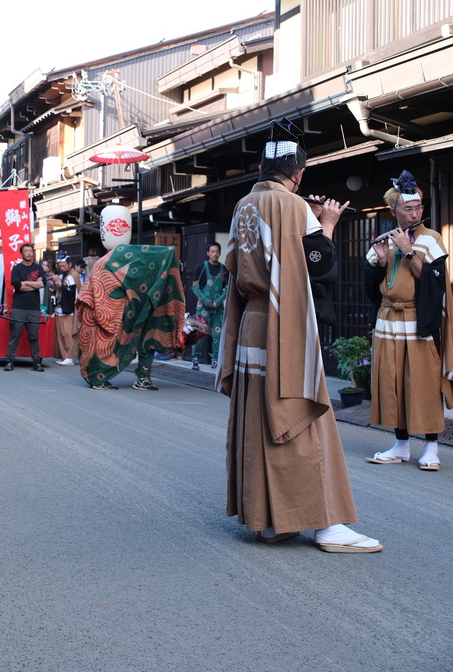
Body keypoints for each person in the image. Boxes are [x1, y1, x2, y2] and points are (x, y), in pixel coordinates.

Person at [217, 123, 382, 553]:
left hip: (252, 322)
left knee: (259, 419)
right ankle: (326, 524)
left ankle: (271, 521)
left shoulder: (242, 206)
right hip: (284, 323)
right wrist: (327, 225)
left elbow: (234, 269)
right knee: (303, 419)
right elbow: (320, 267)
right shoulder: (295, 207)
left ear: (261, 167)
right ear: (299, 173)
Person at [365, 170, 453, 470]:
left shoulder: (432, 238)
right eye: (408, 208)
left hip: (420, 319)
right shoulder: (384, 238)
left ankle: (431, 447)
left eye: (418, 208)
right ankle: (401, 444)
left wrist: (409, 252)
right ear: (394, 211)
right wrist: (377, 262)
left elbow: (437, 283)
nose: (414, 213)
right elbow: (371, 287)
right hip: (388, 319)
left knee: (424, 382)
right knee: (392, 383)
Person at [77, 244, 185, 390]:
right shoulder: (107, 267)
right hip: (112, 298)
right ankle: (97, 376)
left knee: (150, 334)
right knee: (107, 335)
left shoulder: (146, 269)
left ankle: (143, 378)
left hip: (136, 300)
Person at [4, 243, 45, 372]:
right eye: (26, 251)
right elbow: (17, 286)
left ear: (33, 253)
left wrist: (26, 282)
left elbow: (43, 284)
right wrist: (35, 284)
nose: (28, 253)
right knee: (15, 335)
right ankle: (10, 361)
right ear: (21, 253)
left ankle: (36, 362)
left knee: (34, 336)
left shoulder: (39, 268)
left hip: (34, 308)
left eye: (30, 251)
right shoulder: (16, 269)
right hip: (18, 307)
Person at [190, 242, 228, 371]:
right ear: (208, 253)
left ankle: (215, 360)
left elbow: (227, 288)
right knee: (199, 333)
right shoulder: (201, 267)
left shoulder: (224, 270)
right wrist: (205, 300)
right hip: (203, 306)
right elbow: (195, 286)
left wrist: (218, 301)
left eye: (217, 251)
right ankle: (195, 359)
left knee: (218, 334)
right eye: (212, 251)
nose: (215, 254)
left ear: (220, 253)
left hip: (218, 307)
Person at [52, 255, 81, 366]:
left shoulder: (73, 275)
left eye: (64, 266)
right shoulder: (66, 275)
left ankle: (69, 357)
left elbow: (69, 292)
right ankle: (65, 356)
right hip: (62, 308)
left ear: (70, 264)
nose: (62, 268)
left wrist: (58, 282)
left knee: (68, 333)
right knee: (62, 333)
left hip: (69, 309)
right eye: (60, 266)